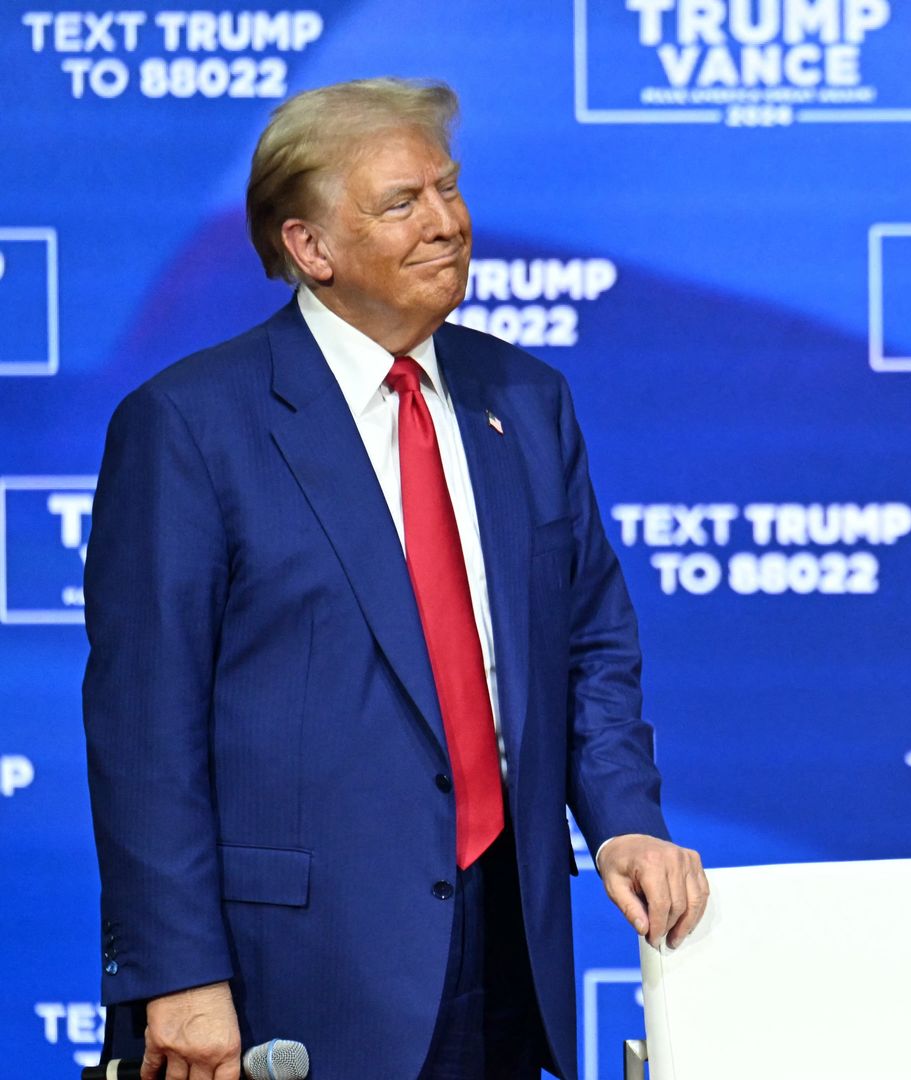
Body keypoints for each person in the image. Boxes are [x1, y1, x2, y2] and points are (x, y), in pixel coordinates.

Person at [82, 77, 707, 1080]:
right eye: (402, 203)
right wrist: (179, 974)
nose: (447, 223)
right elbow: (142, 732)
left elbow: (590, 644)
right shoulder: (192, 427)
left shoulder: (527, 401)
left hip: (509, 953)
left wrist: (625, 816)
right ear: (311, 248)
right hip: (290, 978)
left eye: (448, 190)